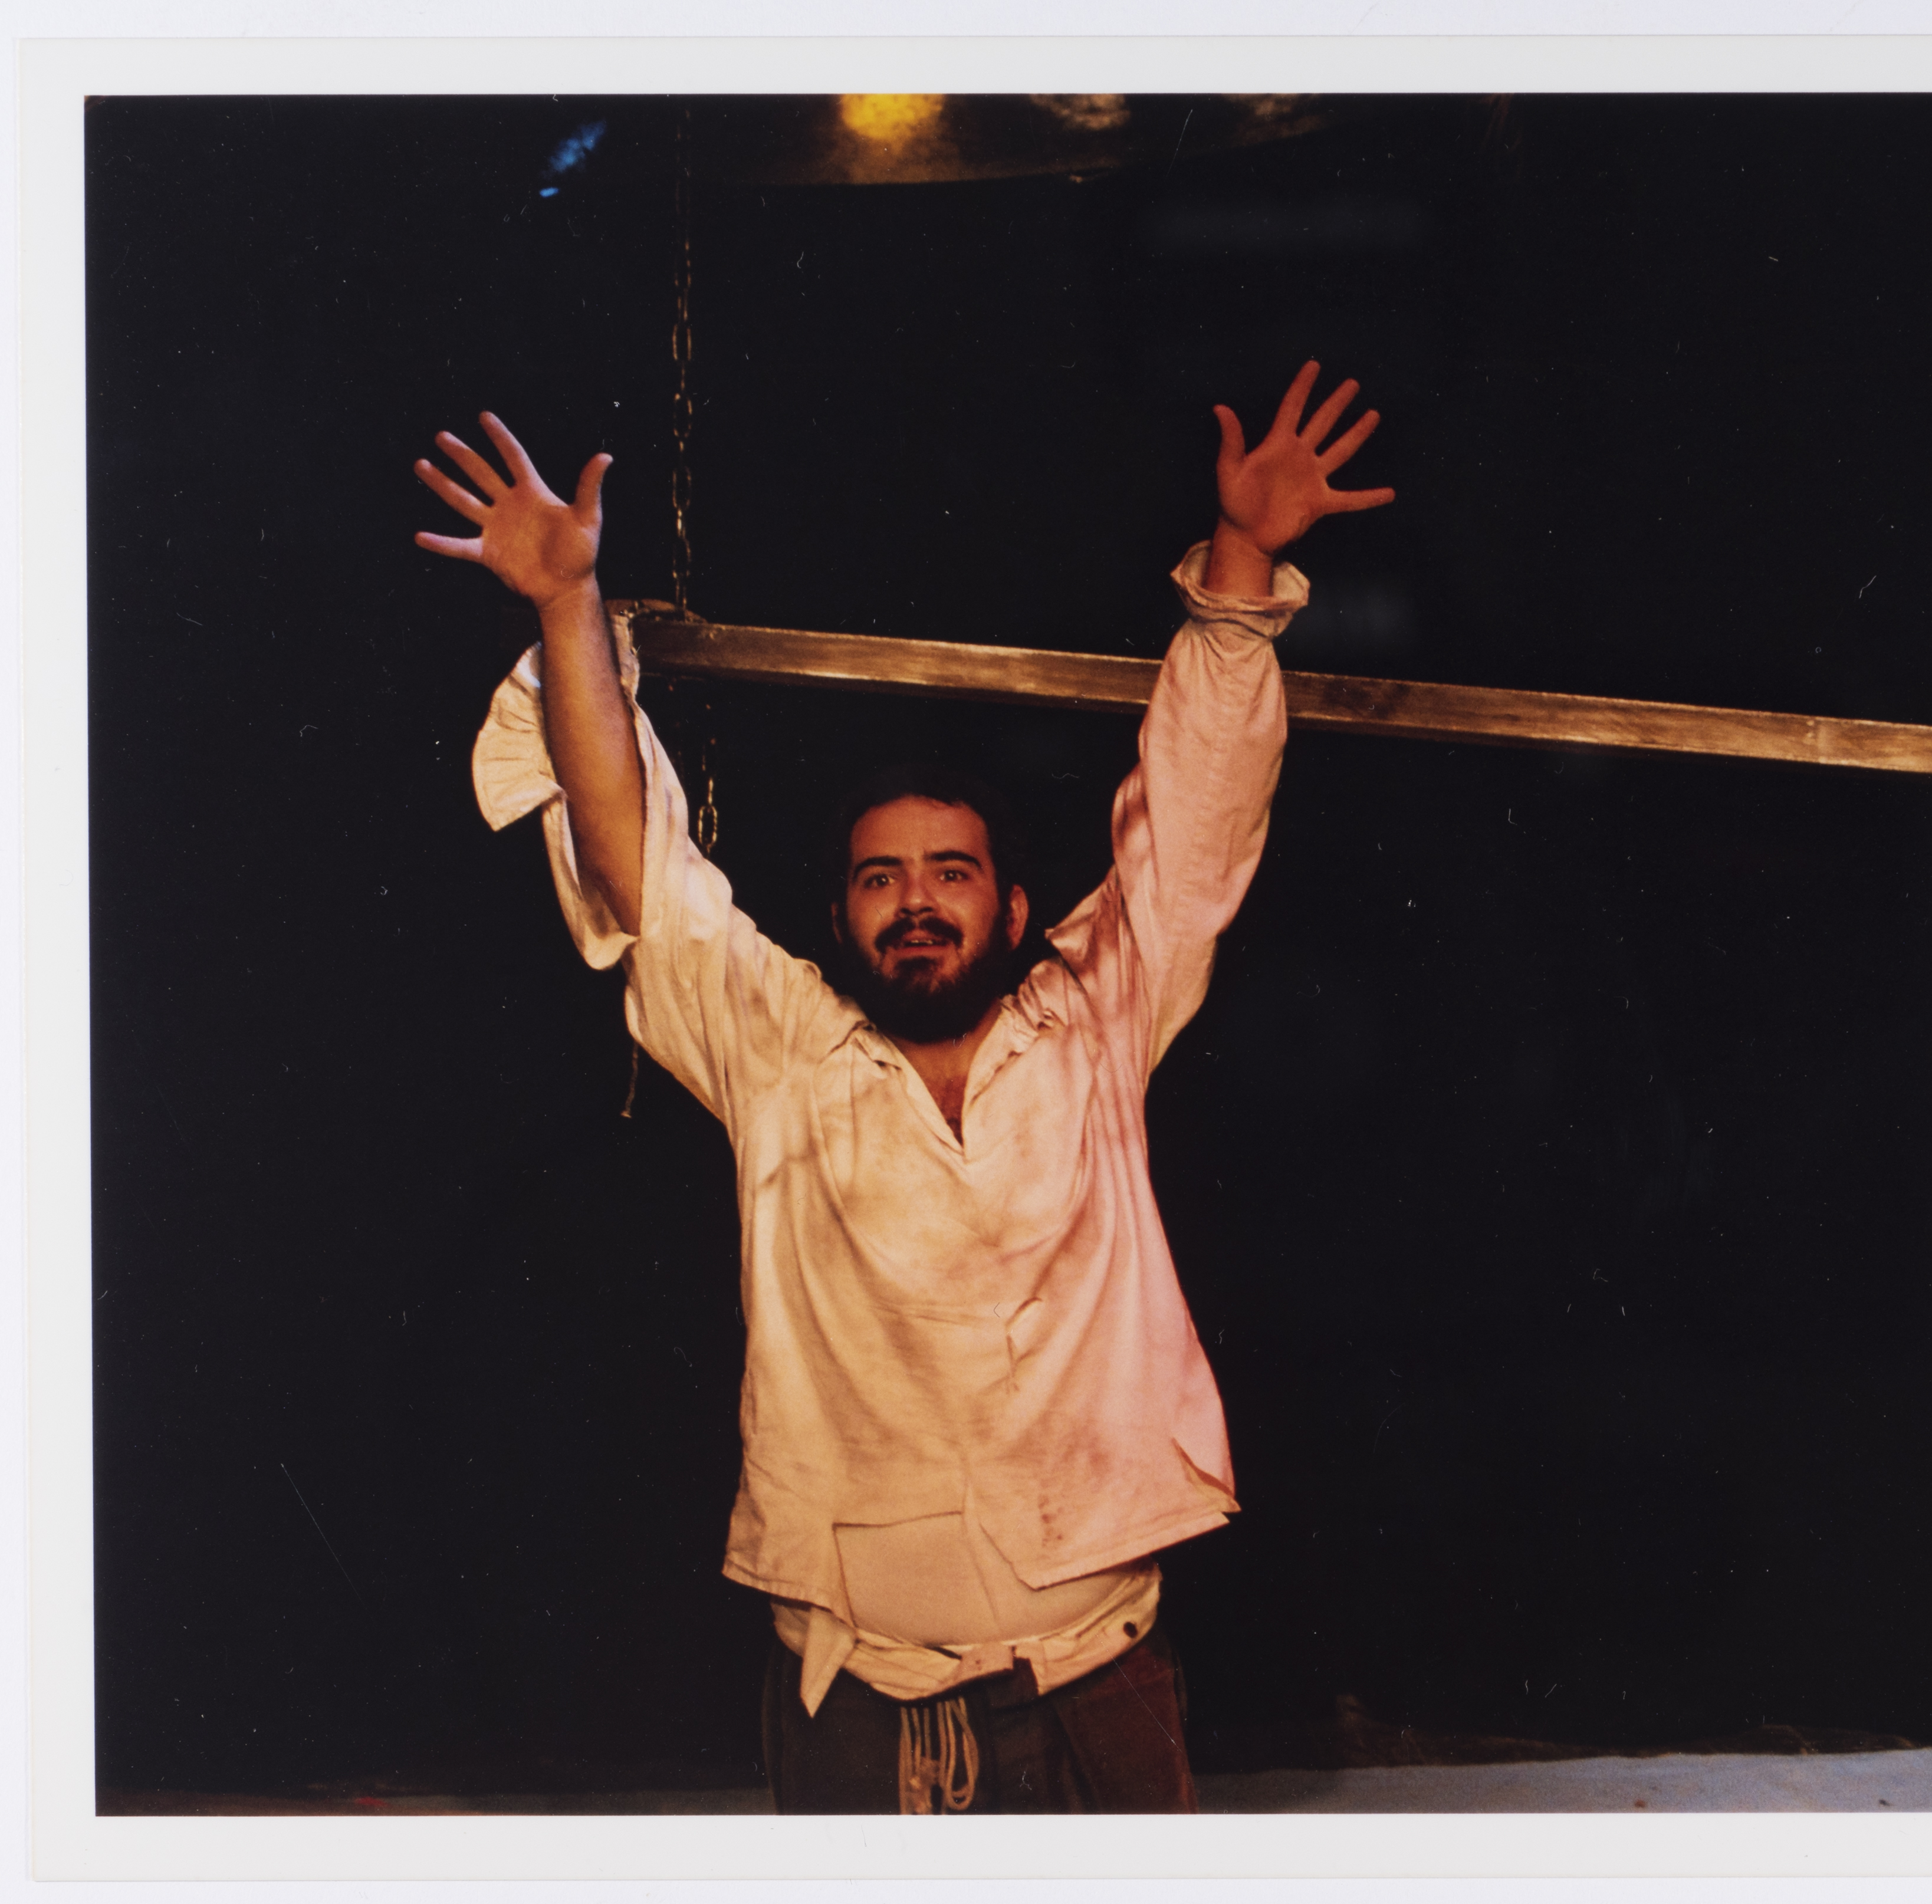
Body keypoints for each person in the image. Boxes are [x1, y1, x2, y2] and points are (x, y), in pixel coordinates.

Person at [415, 363, 1392, 1814]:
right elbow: (637, 869)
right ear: (840, 918)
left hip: (1096, 1668)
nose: (917, 902)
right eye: (881, 878)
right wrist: (567, 604)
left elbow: (1196, 819)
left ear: (1013, 909)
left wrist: (1243, 559)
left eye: (951, 874)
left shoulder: (1092, 1022)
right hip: (850, 1694)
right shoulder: (779, 1049)